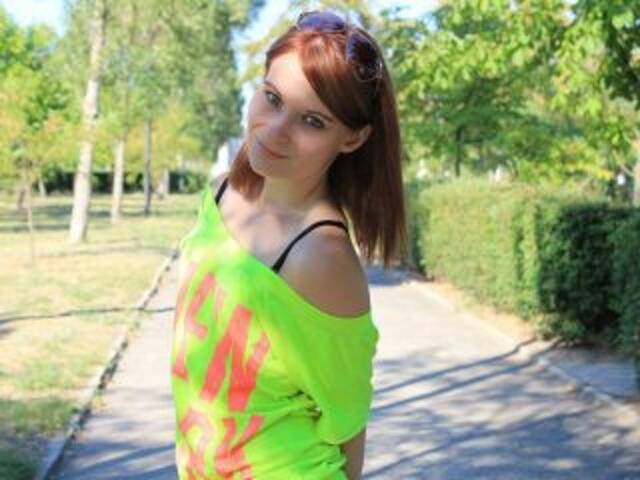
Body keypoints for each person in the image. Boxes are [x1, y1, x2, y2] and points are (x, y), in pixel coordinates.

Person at [171, 10, 407, 480]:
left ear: (353, 138)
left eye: (313, 121)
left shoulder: (320, 257)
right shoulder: (222, 192)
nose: (275, 130)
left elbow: (347, 420)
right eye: (273, 98)